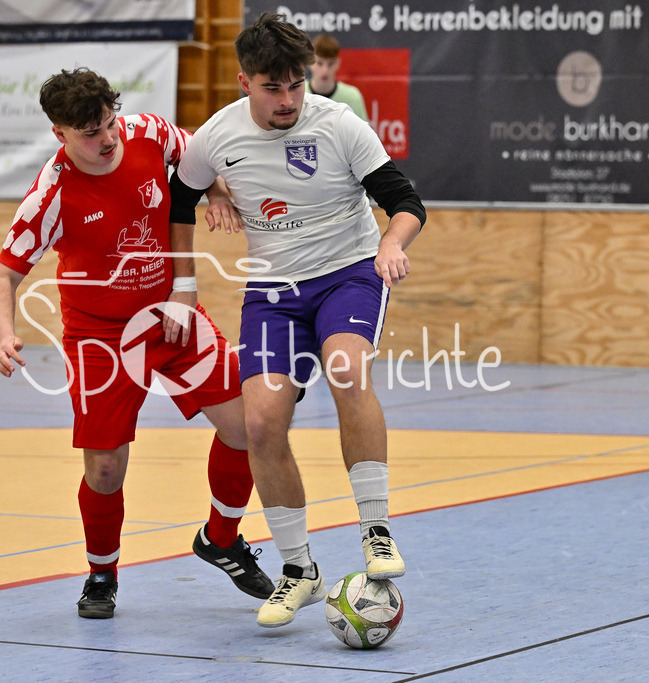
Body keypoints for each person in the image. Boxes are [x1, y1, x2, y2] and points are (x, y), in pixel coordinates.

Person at [166, 13, 427, 628]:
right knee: (259, 422)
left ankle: (377, 533)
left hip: (348, 274)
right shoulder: (217, 137)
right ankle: (300, 571)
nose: (287, 100)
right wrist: (185, 278)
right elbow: (180, 194)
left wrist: (393, 244)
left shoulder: (339, 125)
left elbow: (406, 201)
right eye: (272, 88)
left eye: (296, 85)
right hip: (272, 292)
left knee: (346, 372)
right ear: (243, 82)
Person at [0, 68, 274, 620]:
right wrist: (5, 334)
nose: (108, 139)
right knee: (105, 470)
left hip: (171, 316)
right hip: (100, 338)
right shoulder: (51, 192)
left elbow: (199, 159)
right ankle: (101, 574)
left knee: (247, 427)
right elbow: (3, 277)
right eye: (90, 133)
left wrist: (215, 193)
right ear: (60, 134)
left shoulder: (149, 132)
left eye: (110, 124)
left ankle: (220, 538)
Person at [306, 34, 368, 122]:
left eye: (330, 64)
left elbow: (363, 134)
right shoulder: (298, 93)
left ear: (338, 64)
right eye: (319, 63)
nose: (325, 70)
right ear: (310, 62)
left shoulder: (353, 97)